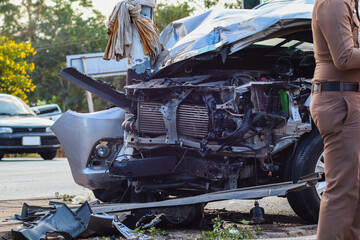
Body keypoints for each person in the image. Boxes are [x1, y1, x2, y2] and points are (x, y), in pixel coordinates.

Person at [311, 0, 360, 239]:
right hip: (340, 100)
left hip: (348, 97)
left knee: (355, 190)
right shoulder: (333, 2)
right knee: (343, 190)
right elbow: (344, 57)